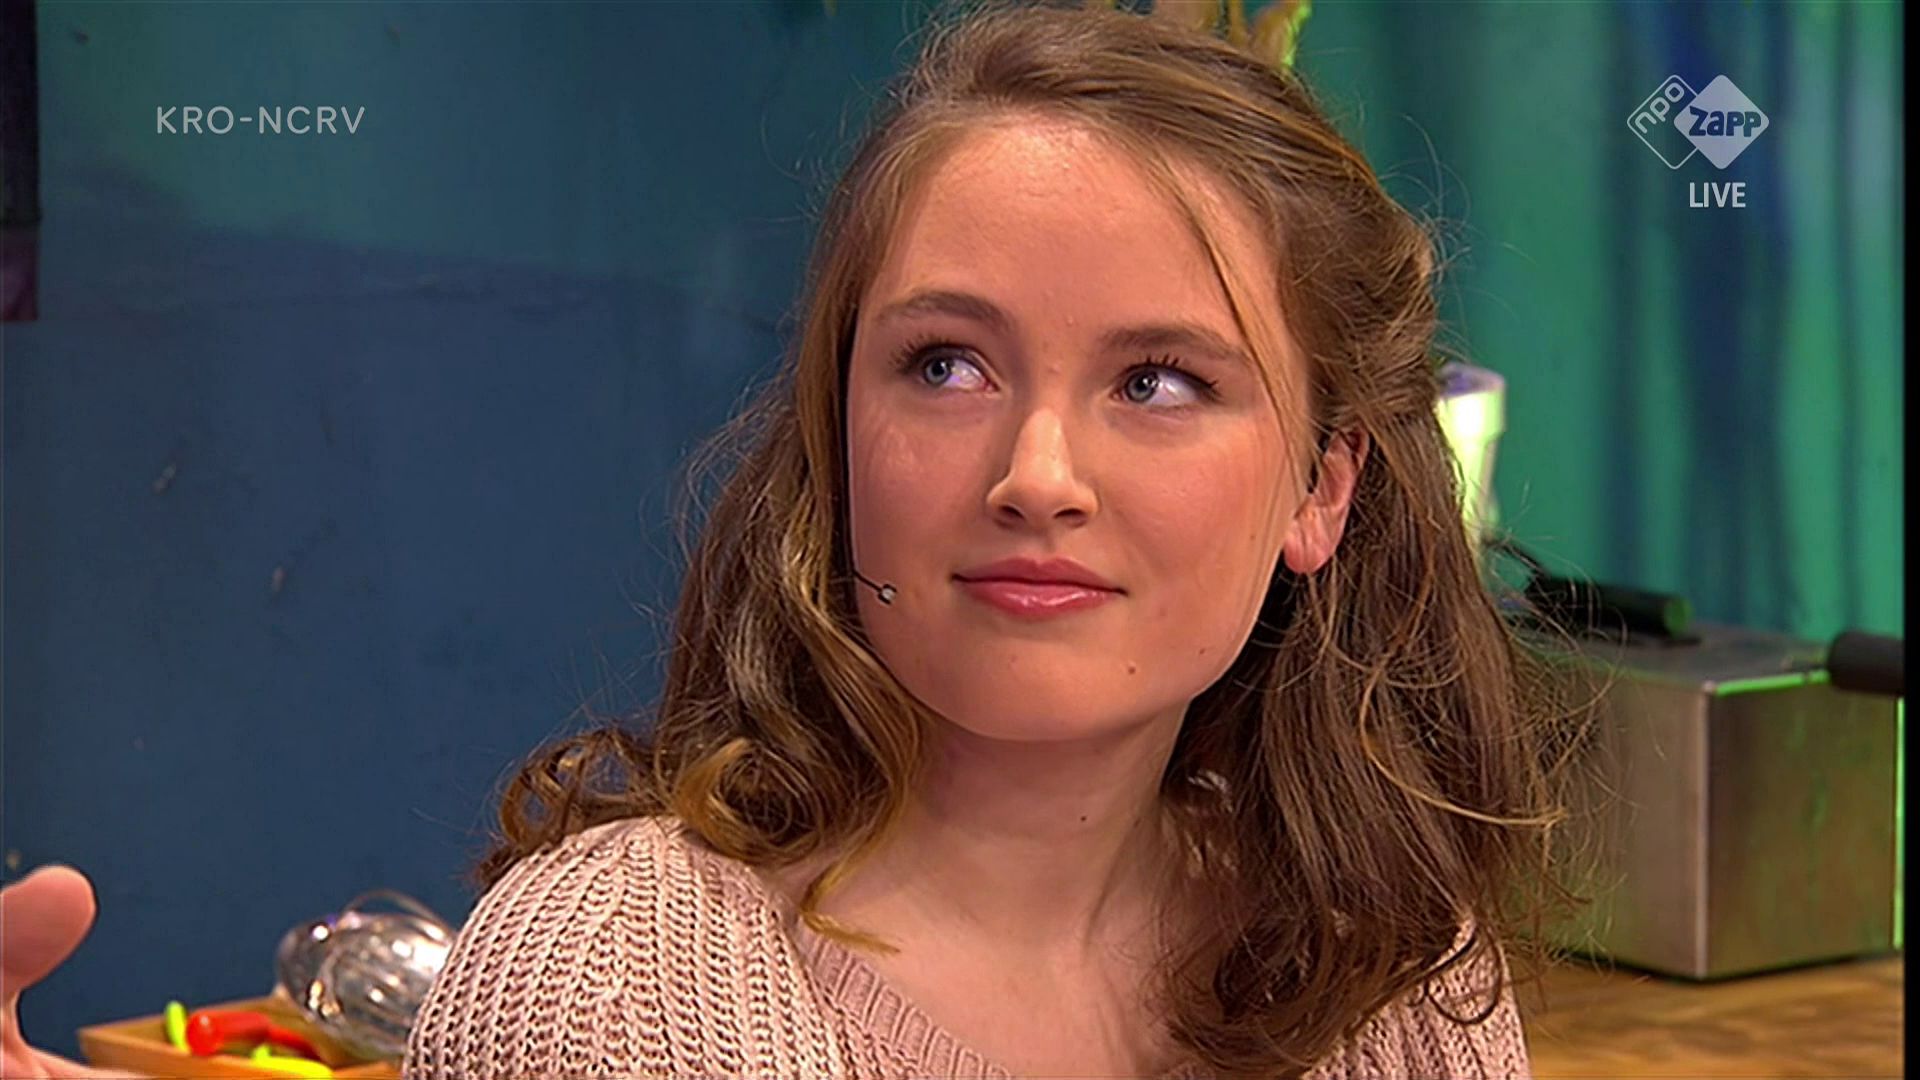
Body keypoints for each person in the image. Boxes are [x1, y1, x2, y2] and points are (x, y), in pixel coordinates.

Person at [3, 3, 1572, 1077]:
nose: (1037, 475)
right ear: (837, 431)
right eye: (945, 366)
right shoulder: (608, 988)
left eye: (1159, 382)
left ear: (1321, 491)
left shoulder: (1398, 986)